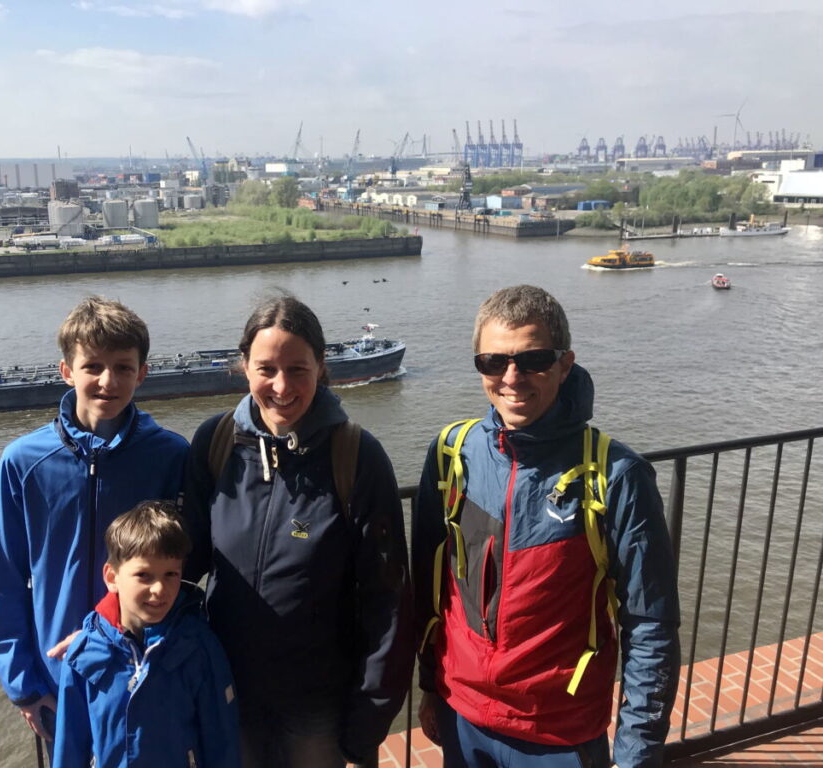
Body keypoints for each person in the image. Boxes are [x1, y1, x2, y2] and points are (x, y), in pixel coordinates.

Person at [412, 285, 680, 768]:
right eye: (493, 362)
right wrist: (431, 684)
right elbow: (436, 592)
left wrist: (637, 753)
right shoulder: (453, 453)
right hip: (464, 716)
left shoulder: (615, 474)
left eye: (533, 359)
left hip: (558, 732)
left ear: (564, 363)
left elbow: (650, 623)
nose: (511, 378)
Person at [181, 293, 413, 768]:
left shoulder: (357, 457)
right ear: (244, 366)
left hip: (318, 705)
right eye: (266, 368)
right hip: (229, 689)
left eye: (298, 369)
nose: (281, 386)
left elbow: (386, 599)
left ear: (321, 367)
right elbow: (181, 564)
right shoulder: (216, 443)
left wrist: (370, 714)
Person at [0, 296, 189, 743]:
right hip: (59, 673)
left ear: (142, 373)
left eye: (122, 367)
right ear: (66, 371)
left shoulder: (172, 456)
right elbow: (5, 575)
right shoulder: (23, 462)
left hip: (144, 666)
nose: (107, 381)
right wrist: (22, 683)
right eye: (92, 366)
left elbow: (187, 567)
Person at [53, 501, 241, 768]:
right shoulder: (83, 653)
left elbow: (221, 741)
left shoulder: (199, 647)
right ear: (112, 577)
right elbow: (68, 746)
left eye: (171, 574)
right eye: (144, 575)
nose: (159, 589)